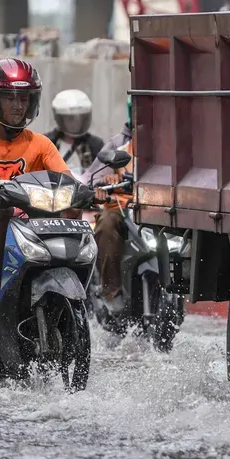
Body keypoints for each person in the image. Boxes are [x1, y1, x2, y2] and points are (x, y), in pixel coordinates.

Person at [0, 58, 105, 328]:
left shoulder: (41, 143)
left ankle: (74, 286)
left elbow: (67, 180)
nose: (19, 105)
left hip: (27, 220)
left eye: (24, 99)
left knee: (72, 207)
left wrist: (88, 193)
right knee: (1, 210)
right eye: (10, 98)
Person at [88, 100, 134, 314]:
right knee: (106, 224)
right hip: (121, 206)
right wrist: (103, 180)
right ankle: (111, 292)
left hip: (155, 210)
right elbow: (93, 175)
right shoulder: (119, 143)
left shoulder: (166, 142)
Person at [45, 89, 104, 175]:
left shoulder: (95, 144)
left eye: (81, 118)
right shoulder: (46, 143)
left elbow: (102, 173)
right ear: (60, 118)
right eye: (70, 119)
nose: (75, 123)